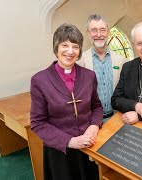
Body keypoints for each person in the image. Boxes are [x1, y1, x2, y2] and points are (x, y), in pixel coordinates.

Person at [30, 23, 102, 180]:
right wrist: (69, 141)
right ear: (56, 47)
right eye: (65, 45)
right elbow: (38, 123)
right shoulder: (40, 80)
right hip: (59, 152)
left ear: (79, 51)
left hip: (88, 146)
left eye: (75, 47)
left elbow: (96, 107)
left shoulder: (89, 76)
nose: (70, 51)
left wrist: (94, 126)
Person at [79, 14, 127, 123]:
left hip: (116, 118)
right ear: (88, 33)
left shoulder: (122, 61)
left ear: (108, 32)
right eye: (94, 30)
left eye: (102, 30)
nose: (99, 34)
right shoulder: (80, 62)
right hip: (90, 121)